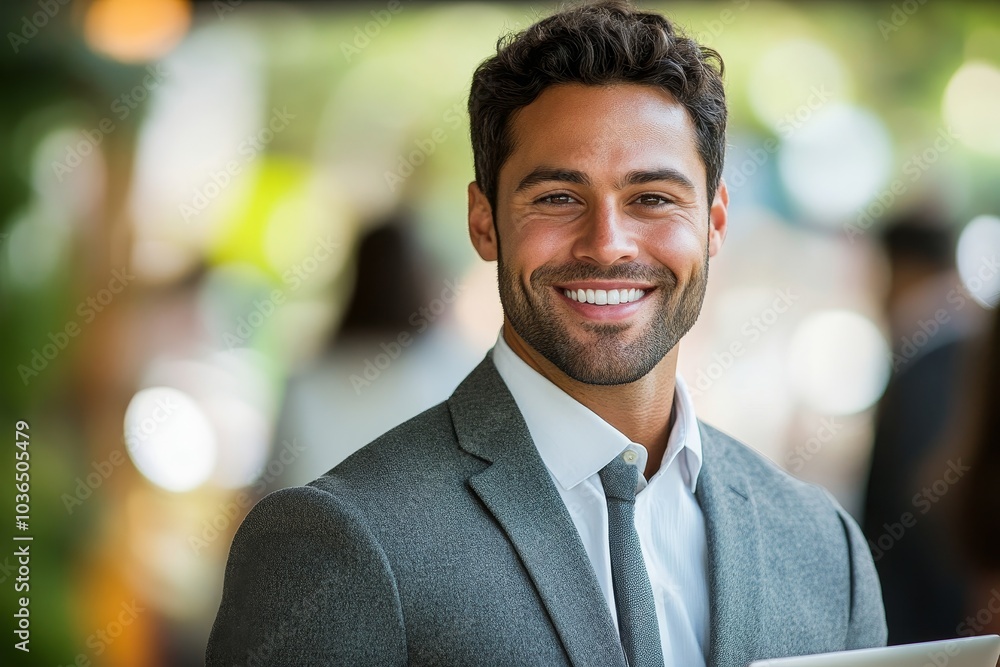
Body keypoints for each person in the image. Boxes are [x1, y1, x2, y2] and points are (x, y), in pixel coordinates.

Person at [207, 2, 886, 665]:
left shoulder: (825, 549)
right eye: (558, 197)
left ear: (714, 223)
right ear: (484, 221)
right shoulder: (336, 543)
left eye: (652, 197)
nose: (608, 244)